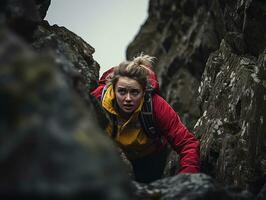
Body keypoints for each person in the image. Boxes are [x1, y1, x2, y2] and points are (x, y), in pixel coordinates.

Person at [91, 54, 200, 183]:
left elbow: (187, 143)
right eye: (122, 91)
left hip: (150, 160)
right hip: (111, 158)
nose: (128, 99)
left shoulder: (155, 105)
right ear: (113, 89)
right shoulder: (97, 99)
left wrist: (186, 180)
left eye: (134, 92)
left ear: (144, 91)